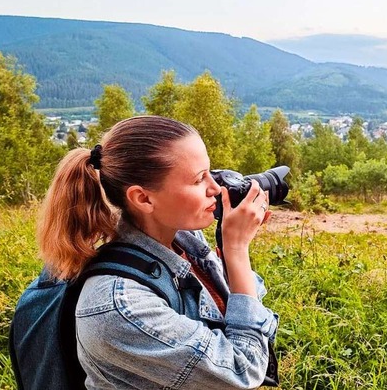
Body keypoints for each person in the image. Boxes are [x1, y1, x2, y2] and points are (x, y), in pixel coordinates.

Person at [37, 115, 278, 389]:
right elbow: (242, 369)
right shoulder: (119, 306)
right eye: (199, 179)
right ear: (143, 198)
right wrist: (236, 250)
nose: (215, 188)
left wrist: (231, 250)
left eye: (211, 172)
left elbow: (243, 309)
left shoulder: (184, 241)